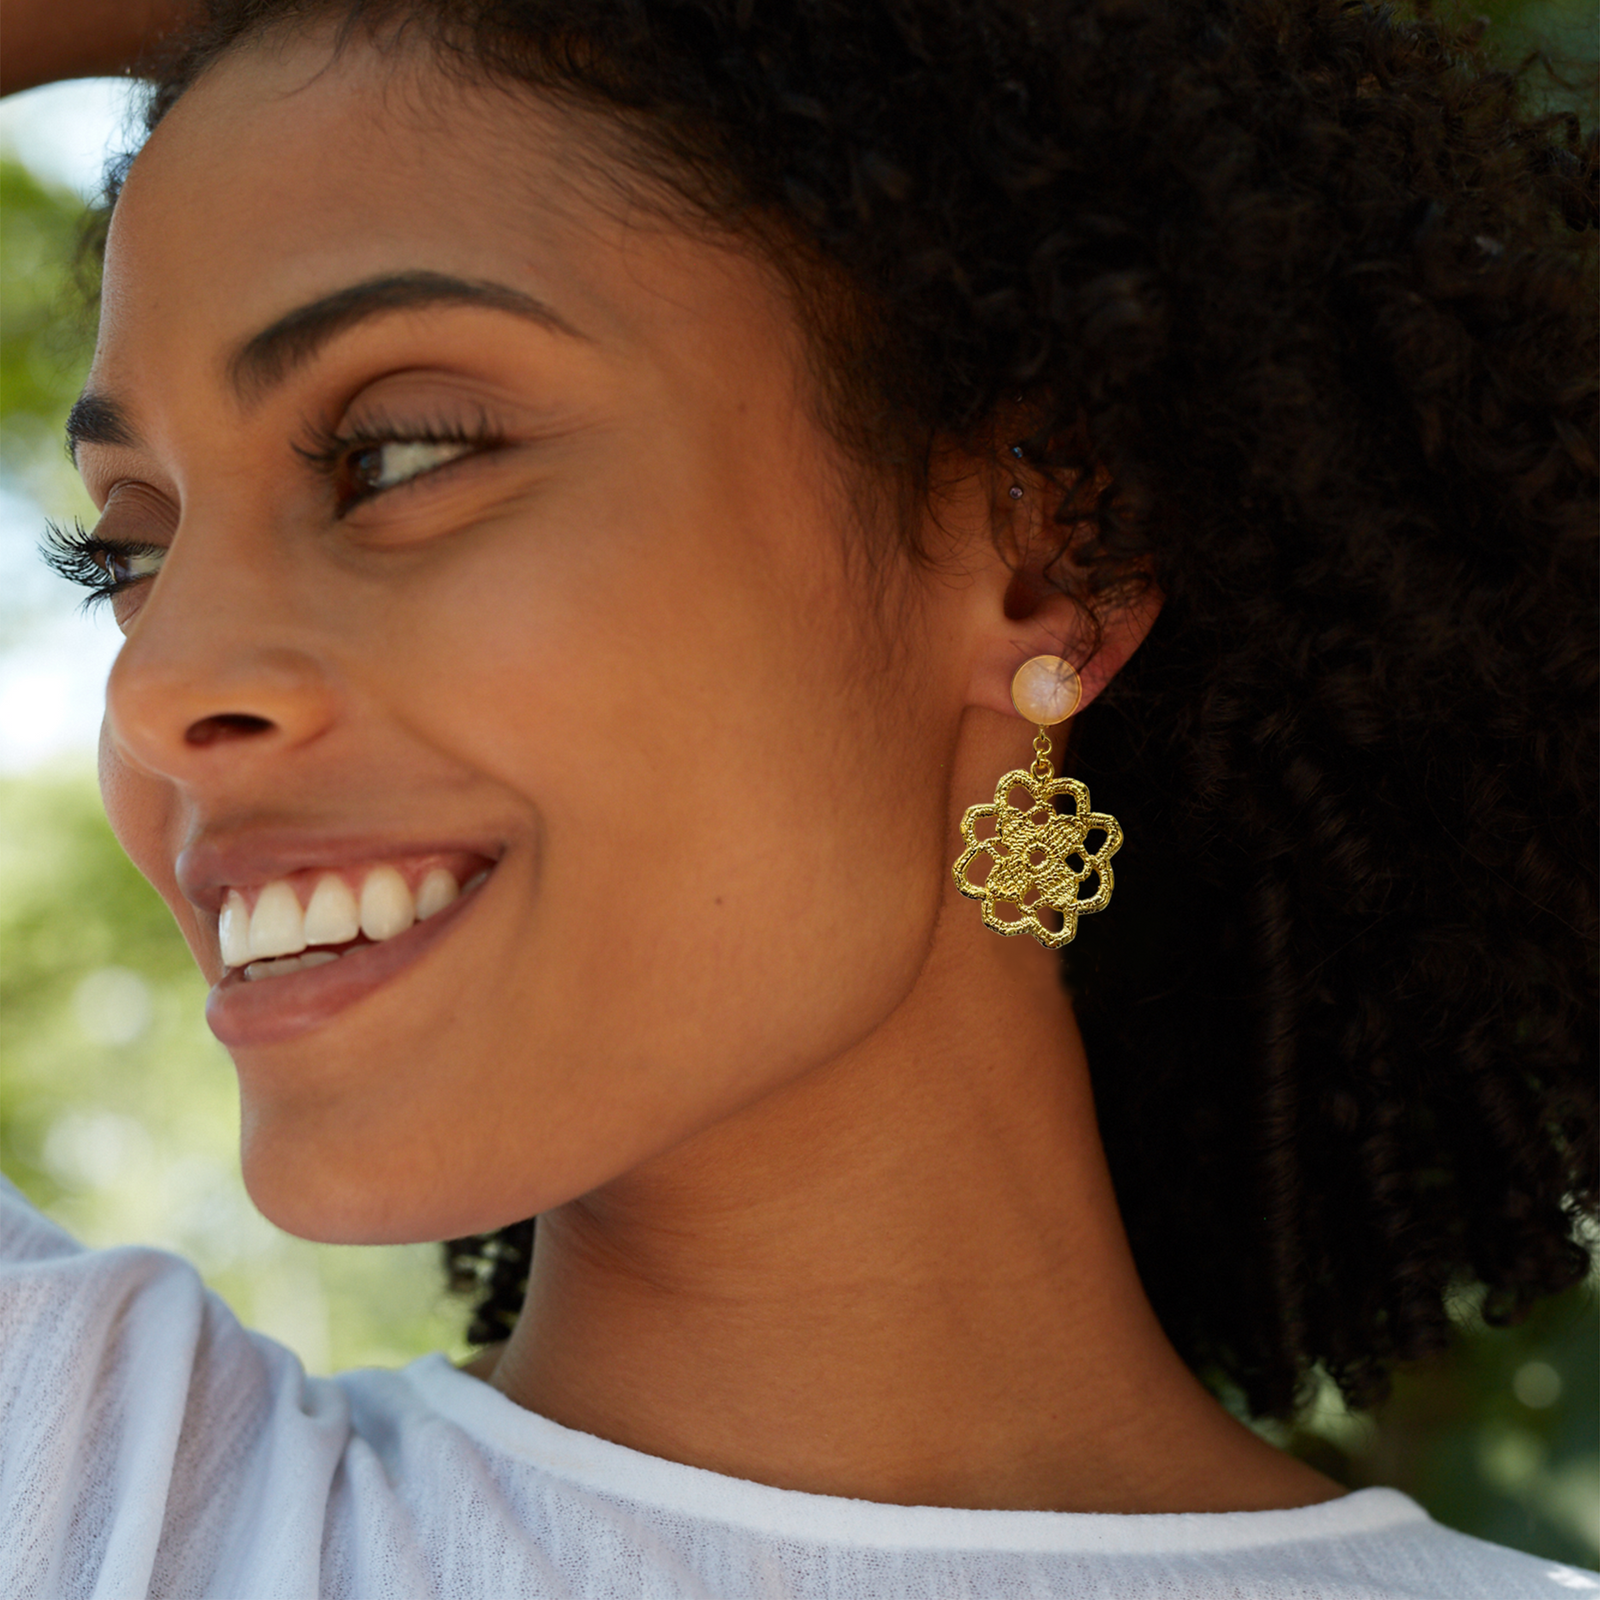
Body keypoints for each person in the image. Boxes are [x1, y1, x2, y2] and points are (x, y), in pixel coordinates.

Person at [1, 0, 1594, 1594]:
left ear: (1045, 561)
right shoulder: (97, 1505)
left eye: (401, 457)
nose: (154, 690)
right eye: (129, 553)